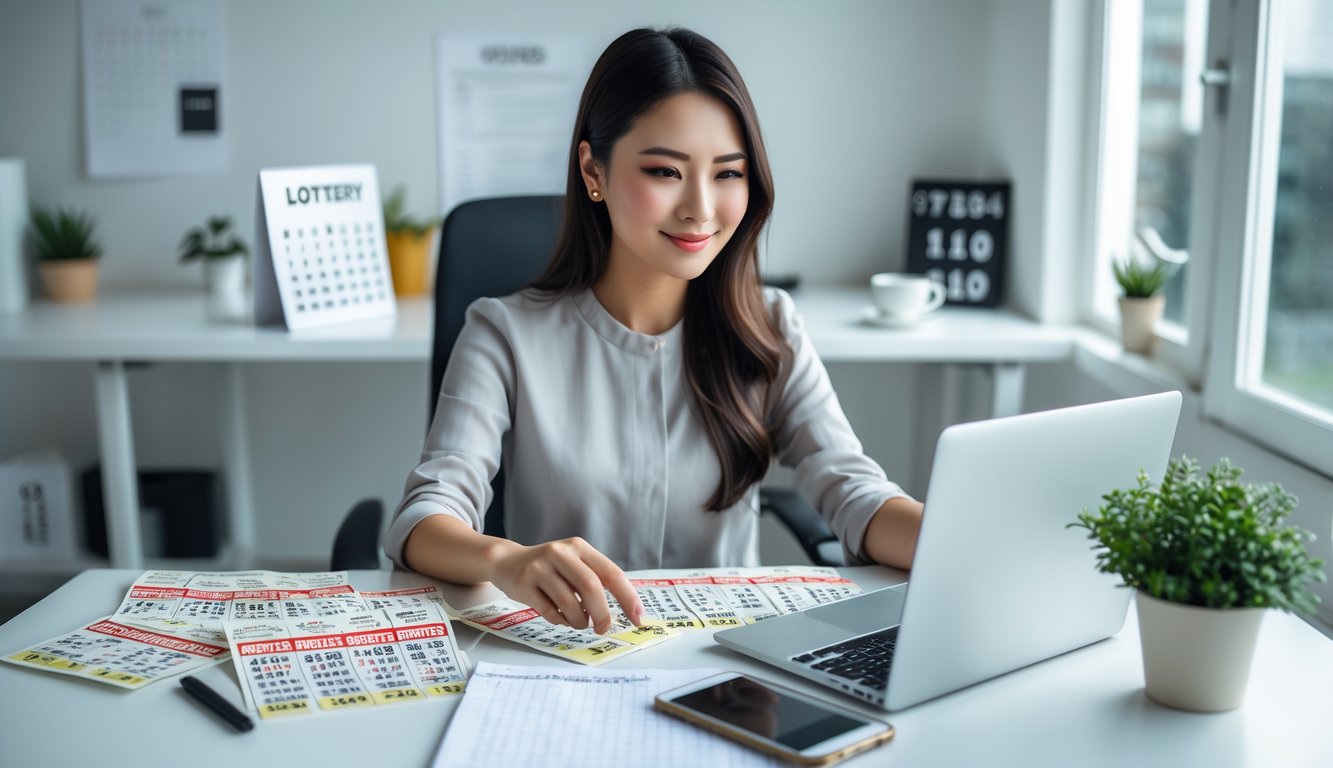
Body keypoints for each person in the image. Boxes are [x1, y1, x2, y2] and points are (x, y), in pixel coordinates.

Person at [385, 27, 924, 636]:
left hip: (725, 664)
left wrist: (960, 539)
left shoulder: (769, 325)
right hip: (565, 656)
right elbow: (425, 517)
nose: (700, 207)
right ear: (594, 169)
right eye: (666, 171)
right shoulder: (503, 332)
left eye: (727, 173)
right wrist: (507, 559)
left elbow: (855, 493)